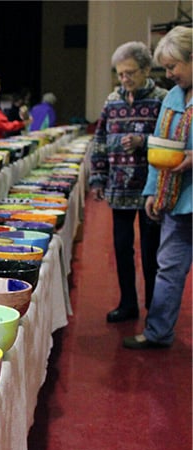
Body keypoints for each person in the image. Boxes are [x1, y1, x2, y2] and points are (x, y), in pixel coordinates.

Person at [88, 41, 168, 324]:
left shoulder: (162, 99)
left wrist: (142, 142)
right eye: (120, 74)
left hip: (151, 190)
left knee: (151, 253)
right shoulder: (112, 101)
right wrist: (97, 178)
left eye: (131, 72)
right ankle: (128, 304)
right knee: (122, 249)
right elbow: (99, 141)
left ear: (146, 69)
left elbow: (171, 142)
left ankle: (154, 310)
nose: (125, 79)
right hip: (119, 188)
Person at [124, 26, 192, 349]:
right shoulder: (174, 98)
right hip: (178, 201)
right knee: (168, 268)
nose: (168, 74)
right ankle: (158, 333)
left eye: (173, 66)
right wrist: (151, 191)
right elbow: (158, 149)